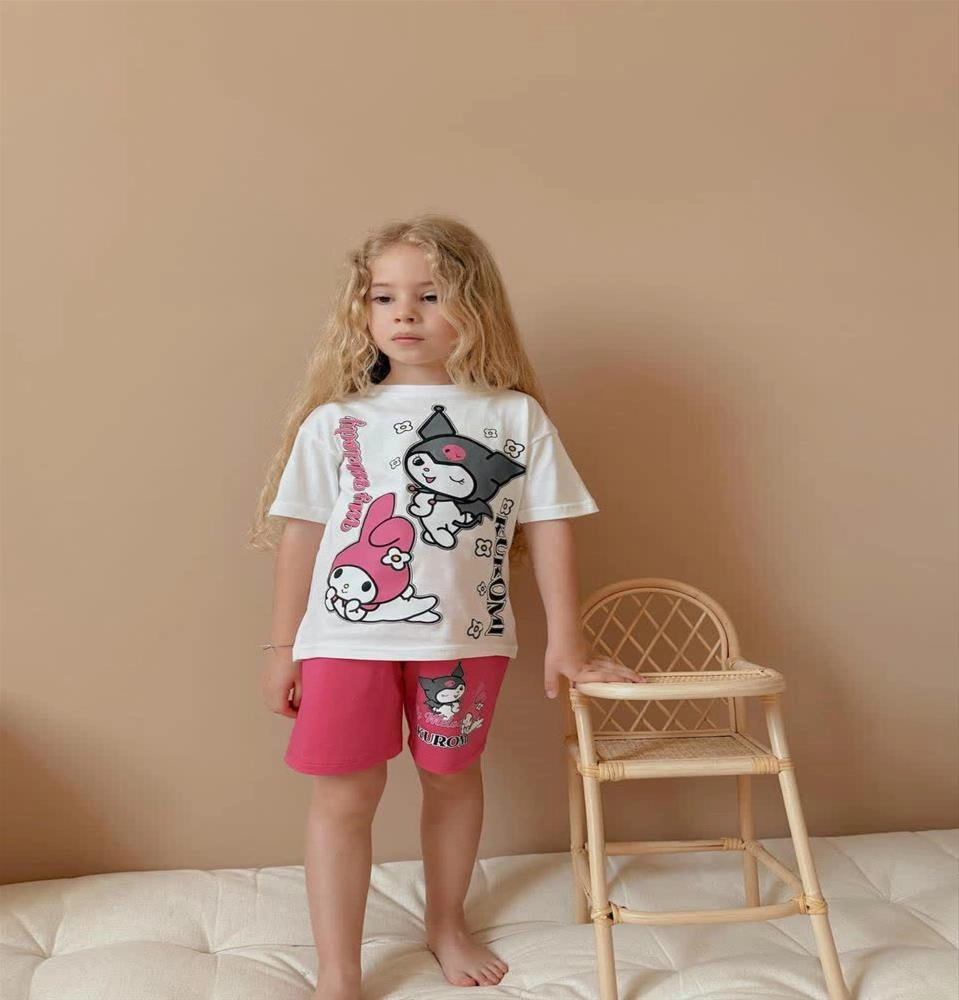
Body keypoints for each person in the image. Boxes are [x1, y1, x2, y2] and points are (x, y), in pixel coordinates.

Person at [249, 213, 642, 1000]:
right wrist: (281, 646)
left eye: (429, 295)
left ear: (472, 305)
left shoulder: (513, 416)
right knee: (344, 796)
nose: (404, 313)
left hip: (465, 642)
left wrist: (565, 641)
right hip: (344, 643)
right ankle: (338, 970)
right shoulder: (337, 422)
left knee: (452, 779)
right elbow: (302, 535)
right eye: (383, 297)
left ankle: (445, 925)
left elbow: (550, 525)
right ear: (361, 311)